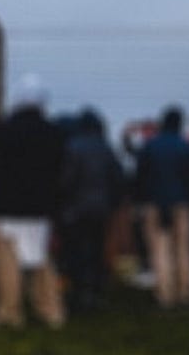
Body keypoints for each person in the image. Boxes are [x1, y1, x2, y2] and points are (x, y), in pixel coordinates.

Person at [0, 80, 67, 329]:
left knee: (7, 264)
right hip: (40, 209)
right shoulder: (52, 132)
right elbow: (60, 171)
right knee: (41, 262)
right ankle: (51, 310)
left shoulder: (4, 130)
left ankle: (10, 312)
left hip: (6, 208)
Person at [57, 108, 125, 314]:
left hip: (75, 210)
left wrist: (63, 203)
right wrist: (113, 203)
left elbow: (66, 180)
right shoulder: (106, 148)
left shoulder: (73, 146)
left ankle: (79, 292)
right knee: (96, 250)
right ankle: (95, 291)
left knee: (76, 252)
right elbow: (118, 180)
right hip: (101, 210)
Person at [137, 106, 189, 309]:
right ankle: (185, 292)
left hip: (155, 204)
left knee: (160, 250)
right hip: (182, 203)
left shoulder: (150, 146)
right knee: (184, 249)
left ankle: (165, 295)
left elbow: (141, 176)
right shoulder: (187, 146)